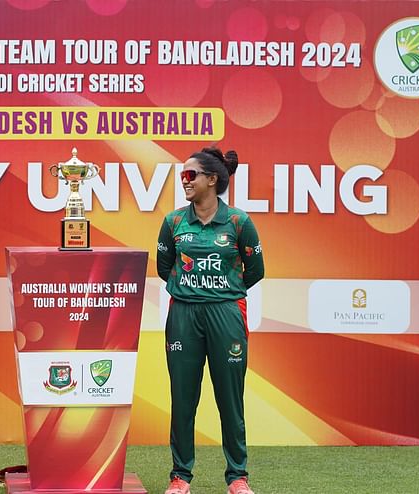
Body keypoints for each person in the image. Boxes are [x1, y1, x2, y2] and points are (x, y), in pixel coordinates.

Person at [156, 147, 264, 494]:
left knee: (230, 399)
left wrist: (223, 293)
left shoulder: (238, 222)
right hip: (184, 315)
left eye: (190, 175)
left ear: (211, 180)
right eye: (182, 175)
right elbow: (164, 267)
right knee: (183, 398)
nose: (184, 181)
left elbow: (255, 271)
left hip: (226, 315)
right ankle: (180, 477)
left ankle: (238, 477)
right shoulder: (174, 221)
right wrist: (194, 291)